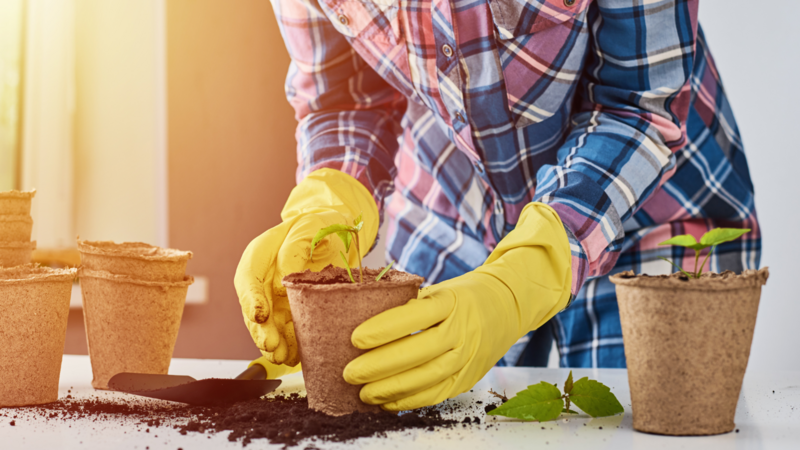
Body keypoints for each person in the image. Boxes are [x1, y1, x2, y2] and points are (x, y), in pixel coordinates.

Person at [235, 0, 760, 412]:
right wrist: (332, 195)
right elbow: (347, 97)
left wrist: (532, 271)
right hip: (453, 205)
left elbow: (639, 104)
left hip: (646, 208)